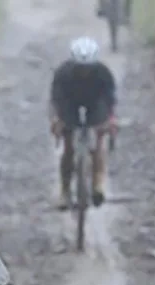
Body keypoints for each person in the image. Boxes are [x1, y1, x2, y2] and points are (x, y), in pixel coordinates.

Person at [49, 37, 117, 210]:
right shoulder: (63, 73)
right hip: (69, 103)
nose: (84, 72)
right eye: (80, 68)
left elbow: (110, 99)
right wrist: (57, 120)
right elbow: (56, 100)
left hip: (95, 102)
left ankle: (98, 184)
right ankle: (65, 191)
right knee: (68, 148)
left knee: (98, 144)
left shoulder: (103, 73)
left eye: (88, 68)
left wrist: (110, 120)